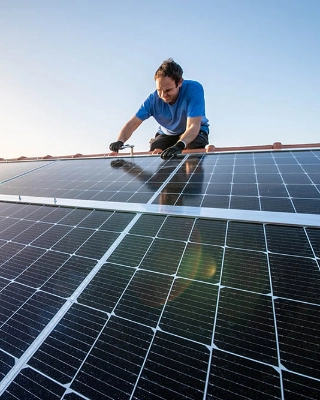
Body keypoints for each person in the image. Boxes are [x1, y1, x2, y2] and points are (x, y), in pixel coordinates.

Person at [109, 58, 209, 159]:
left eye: (168, 90)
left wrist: (180, 145)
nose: (163, 95)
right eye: (159, 90)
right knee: (156, 152)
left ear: (179, 83)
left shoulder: (193, 89)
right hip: (168, 134)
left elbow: (193, 125)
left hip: (195, 131)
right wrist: (120, 141)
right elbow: (133, 123)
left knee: (190, 150)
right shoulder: (153, 100)